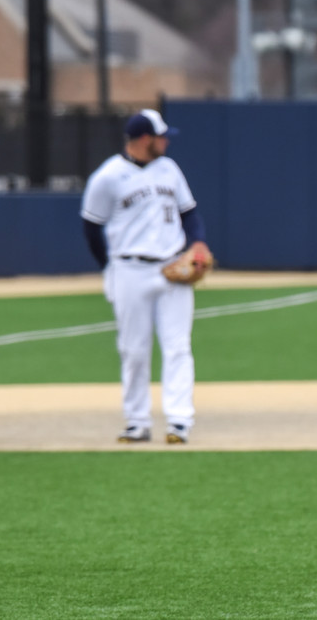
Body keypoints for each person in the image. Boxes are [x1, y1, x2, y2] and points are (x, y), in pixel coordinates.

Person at [80, 109, 210, 445]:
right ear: (144, 139)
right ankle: (137, 421)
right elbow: (91, 226)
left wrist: (197, 242)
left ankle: (179, 421)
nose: (167, 141)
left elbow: (189, 213)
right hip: (130, 269)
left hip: (172, 269)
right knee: (134, 349)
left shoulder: (170, 169)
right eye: (162, 136)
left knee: (178, 345)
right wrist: (108, 267)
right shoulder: (108, 176)